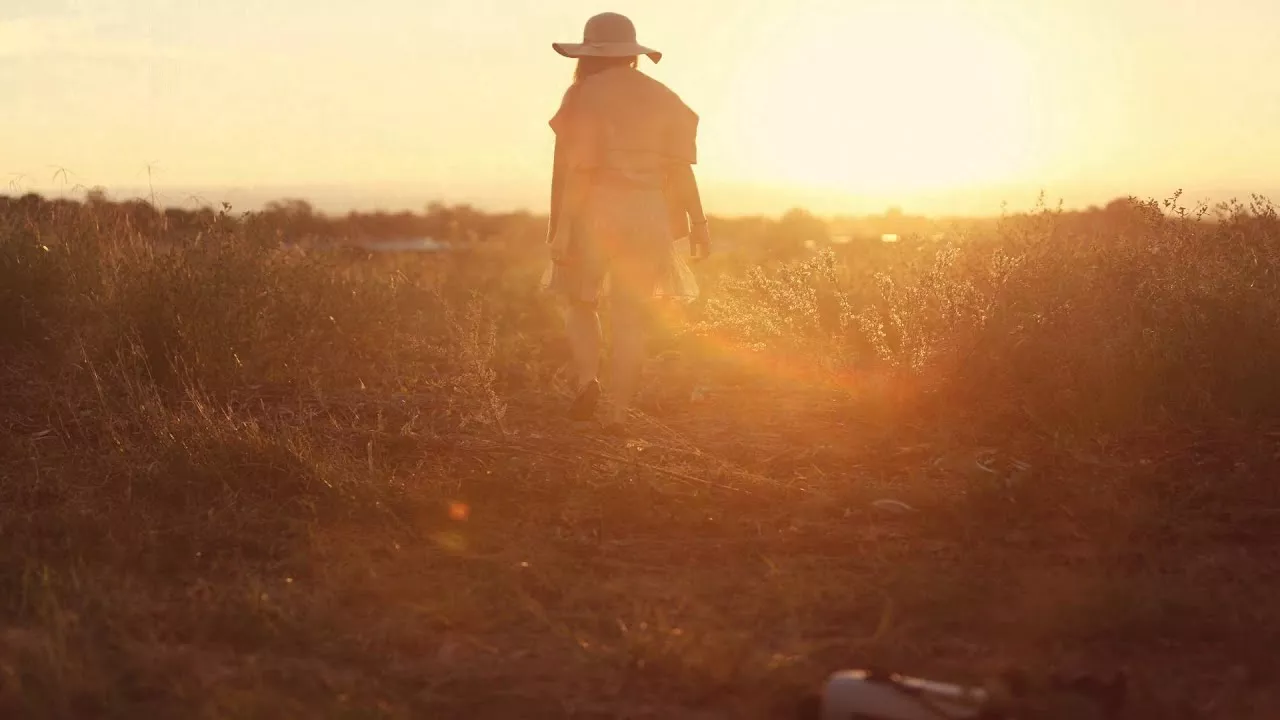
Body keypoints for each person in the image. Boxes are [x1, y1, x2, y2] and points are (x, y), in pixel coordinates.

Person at [544, 12, 711, 432]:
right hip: (648, 213)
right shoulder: (663, 97)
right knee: (630, 319)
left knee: (580, 300)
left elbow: (580, 170)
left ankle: (588, 380)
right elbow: (682, 170)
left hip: (596, 212)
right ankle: (618, 414)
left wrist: (563, 230)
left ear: (589, 54)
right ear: (632, 54)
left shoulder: (583, 95)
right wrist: (700, 224)